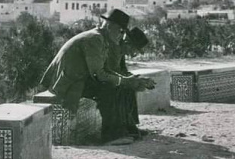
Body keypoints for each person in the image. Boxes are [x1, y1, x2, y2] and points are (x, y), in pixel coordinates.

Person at [40, 9, 153, 146]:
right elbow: (99, 74)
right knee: (110, 88)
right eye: (120, 31)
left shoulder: (101, 38)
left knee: (119, 85)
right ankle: (111, 137)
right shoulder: (95, 39)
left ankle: (126, 129)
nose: (121, 35)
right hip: (67, 83)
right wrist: (124, 81)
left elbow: (106, 70)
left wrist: (128, 81)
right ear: (110, 26)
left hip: (78, 79)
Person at [106, 27, 155, 140]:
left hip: (112, 78)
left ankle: (130, 125)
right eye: (134, 51)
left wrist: (139, 79)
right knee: (122, 88)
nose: (133, 54)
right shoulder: (112, 49)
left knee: (129, 86)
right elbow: (110, 72)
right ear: (127, 43)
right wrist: (132, 80)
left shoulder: (120, 51)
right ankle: (120, 129)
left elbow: (123, 72)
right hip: (101, 79)